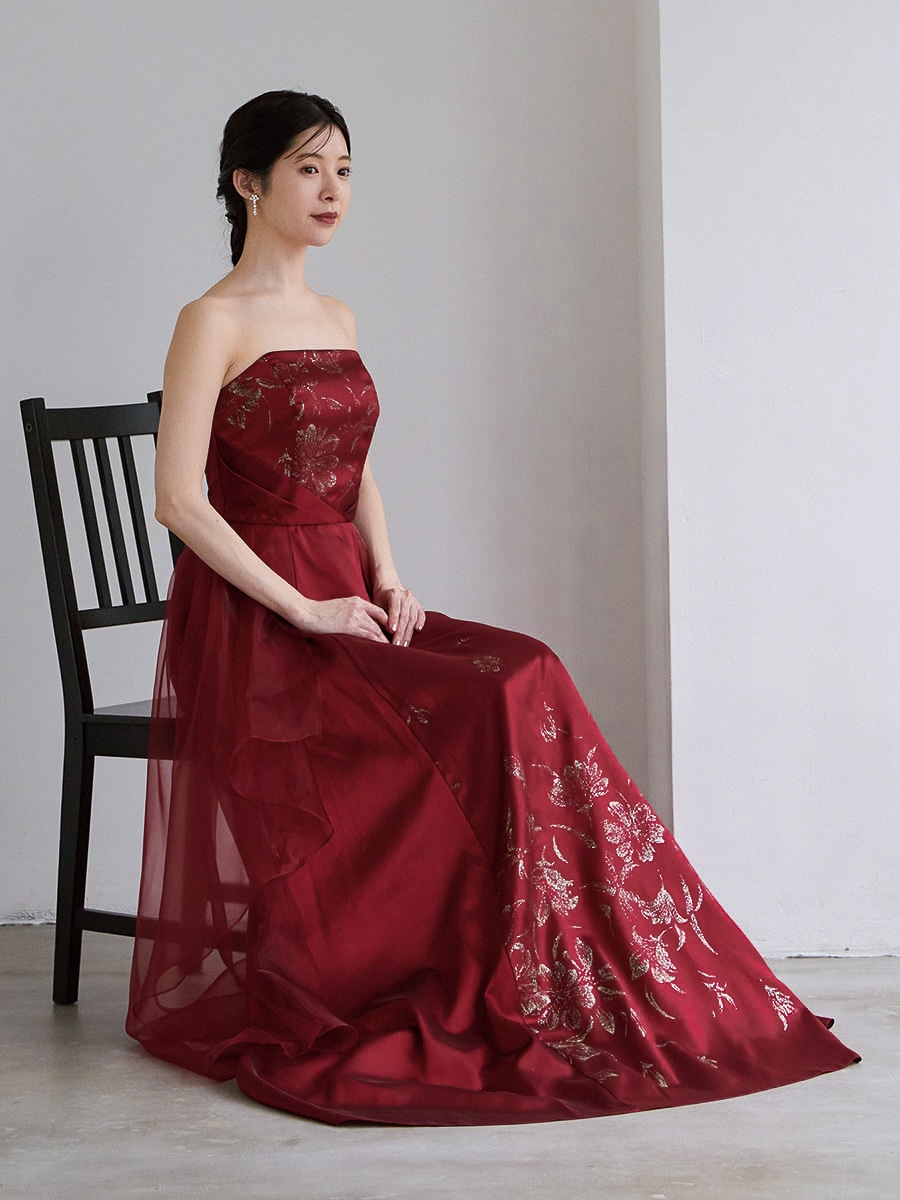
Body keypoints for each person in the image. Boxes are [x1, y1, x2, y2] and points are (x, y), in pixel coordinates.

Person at [127, 90, 858, 1126]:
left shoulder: (337, 316)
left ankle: (543, 959)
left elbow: (355, 471)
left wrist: (388, 576)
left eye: (345, 169)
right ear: (248, 183)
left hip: (346, 591)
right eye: (308, 169)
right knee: (491, 696)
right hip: (259, 616)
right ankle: (454, 952)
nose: (333, 190)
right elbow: (178, 500)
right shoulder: (211, 320)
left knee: (528, 666)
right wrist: (306, 611)